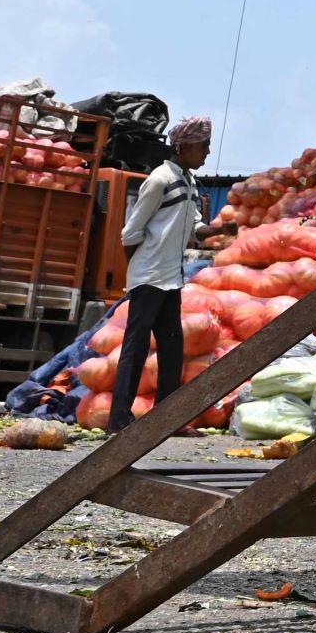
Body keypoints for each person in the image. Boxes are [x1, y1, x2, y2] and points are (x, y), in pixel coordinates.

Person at [109, 116, 210, 432]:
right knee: (135, 348)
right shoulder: (159, 180)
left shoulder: (188, 181)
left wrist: (220, 229)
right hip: (149, 278)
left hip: (171, 278)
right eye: (203, 146)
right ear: (184, 146)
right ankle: (118, 418)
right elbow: (130, 233)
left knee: (171, 349)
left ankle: (165, 419)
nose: (207, 152)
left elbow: (196, 228)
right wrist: (137, 271)